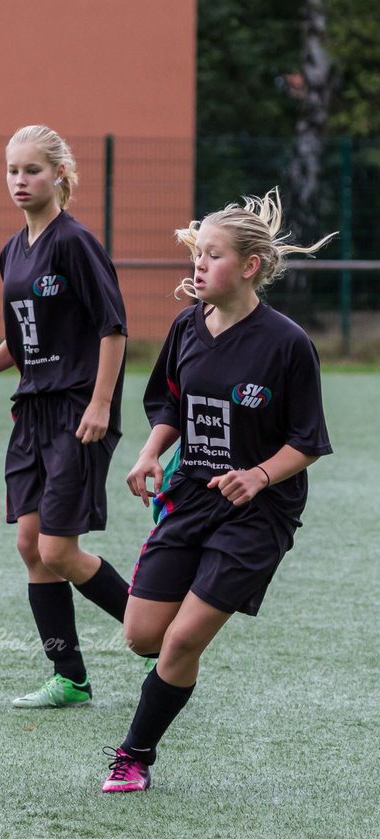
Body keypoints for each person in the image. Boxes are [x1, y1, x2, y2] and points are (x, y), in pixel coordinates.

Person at [102, 189, 333, 793]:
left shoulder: (286, 344)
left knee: (179, 642)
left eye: (212, 255)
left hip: (257, 513)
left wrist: (258, 475)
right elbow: (171, 404)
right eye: (196, 254)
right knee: (142, 637)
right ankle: (178, 648)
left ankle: (134, 755)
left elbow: (308, 440)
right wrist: (152, 451)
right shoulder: (186, 325)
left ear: (249, 266)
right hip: (189, 496)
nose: (198, 266)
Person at [0, 125, 134, 708]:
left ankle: (161, 632)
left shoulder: (74, 242)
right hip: (32, 410)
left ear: (59, 175)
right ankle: (70, 677)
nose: (20, 181)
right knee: (31, 544)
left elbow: (113, 327)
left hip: (79, 410)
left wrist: (101, 403)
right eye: (12, 171)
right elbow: (24, 338)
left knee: (57, 550)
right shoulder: (11, 250)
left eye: (32, 170)